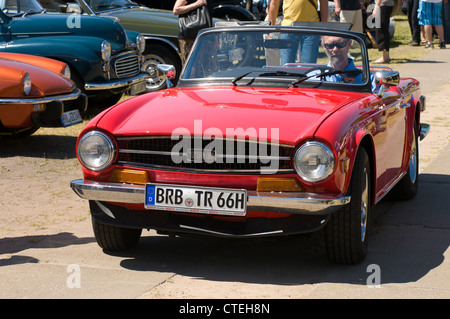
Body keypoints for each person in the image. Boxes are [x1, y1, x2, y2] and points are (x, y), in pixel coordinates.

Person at [267, 0, 328, 64]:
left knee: (309, 67)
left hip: (311, 29)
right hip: (288, 28)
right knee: (286, 66)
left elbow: (324, 3)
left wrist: (323, 28)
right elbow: (274, 4)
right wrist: (271, 29)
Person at [173, 0, 211, 64]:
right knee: (191, 66)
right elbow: (176, 10)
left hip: (205, 36)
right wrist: (196, 4)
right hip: (189, 38)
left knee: (207, 66)